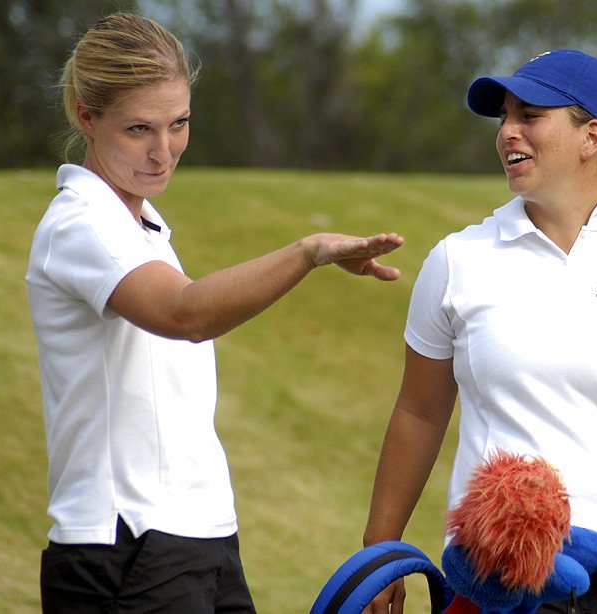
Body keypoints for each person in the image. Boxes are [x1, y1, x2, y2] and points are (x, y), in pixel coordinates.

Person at [26, 12, 403, 613]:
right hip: (126, 544)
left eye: (179, 124)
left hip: (198, 536)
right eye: (139, 129)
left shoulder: (138, 225)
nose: (163, 150)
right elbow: (185, 314)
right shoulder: (80, 223)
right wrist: (309, 252)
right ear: (85, 116)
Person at [362, 49, 597, 613]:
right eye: (504, 117)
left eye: (530, 115)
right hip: (501, 573)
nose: (508, 132)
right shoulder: (458, 259)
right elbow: (419, 412)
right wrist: (380, 551)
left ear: (591, 136)